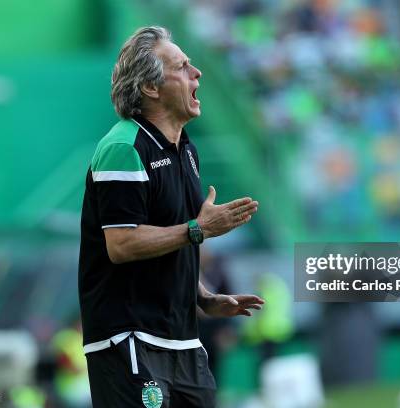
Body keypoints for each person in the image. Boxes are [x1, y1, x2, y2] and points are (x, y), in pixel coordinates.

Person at [78, 26, 264, 408]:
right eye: (182, 66)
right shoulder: (122, 147)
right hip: (129, 339)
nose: (197, 74)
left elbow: (168, 236)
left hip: (184, 340)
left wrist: (204, 296)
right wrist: (199, 229)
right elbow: (122, 244)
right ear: (151, 87)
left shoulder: (188, 151)